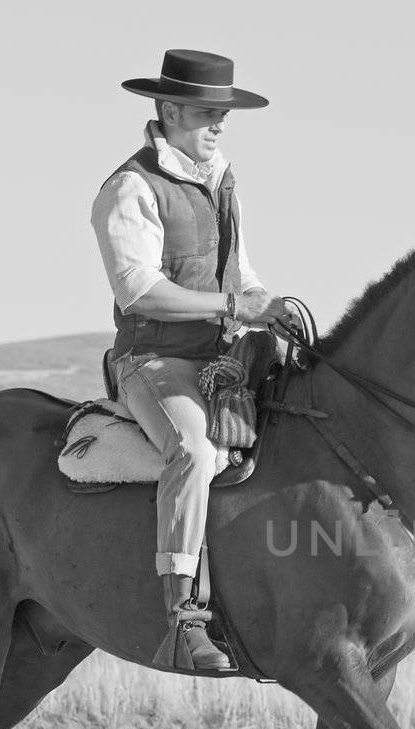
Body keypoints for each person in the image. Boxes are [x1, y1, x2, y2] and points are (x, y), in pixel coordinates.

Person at [91, 49, 301, 672]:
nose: (218, 125)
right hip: (153, 362)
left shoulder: (220, 179)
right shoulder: (130, 188)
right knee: (195, 449)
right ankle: (183, 618)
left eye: (223, 115)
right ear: (169, 109)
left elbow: (240, 272)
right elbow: (140, 291)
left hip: (224, 356)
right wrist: (235, 304)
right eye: (209, 113)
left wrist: (269, 307)